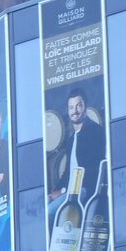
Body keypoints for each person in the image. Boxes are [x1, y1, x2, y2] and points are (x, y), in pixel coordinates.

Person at [47, 87, 106, 222]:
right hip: (71, 190)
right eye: (71, 107)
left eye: (79, 106)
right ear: (68, 111)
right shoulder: (72, 139)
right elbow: (68, 172)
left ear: (85, 106)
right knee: (43, 203)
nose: (75, 111)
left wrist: (62, 192)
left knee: (49, 213)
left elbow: (92, 171)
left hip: (85, 189)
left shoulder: (94, 131)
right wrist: (53, 192)